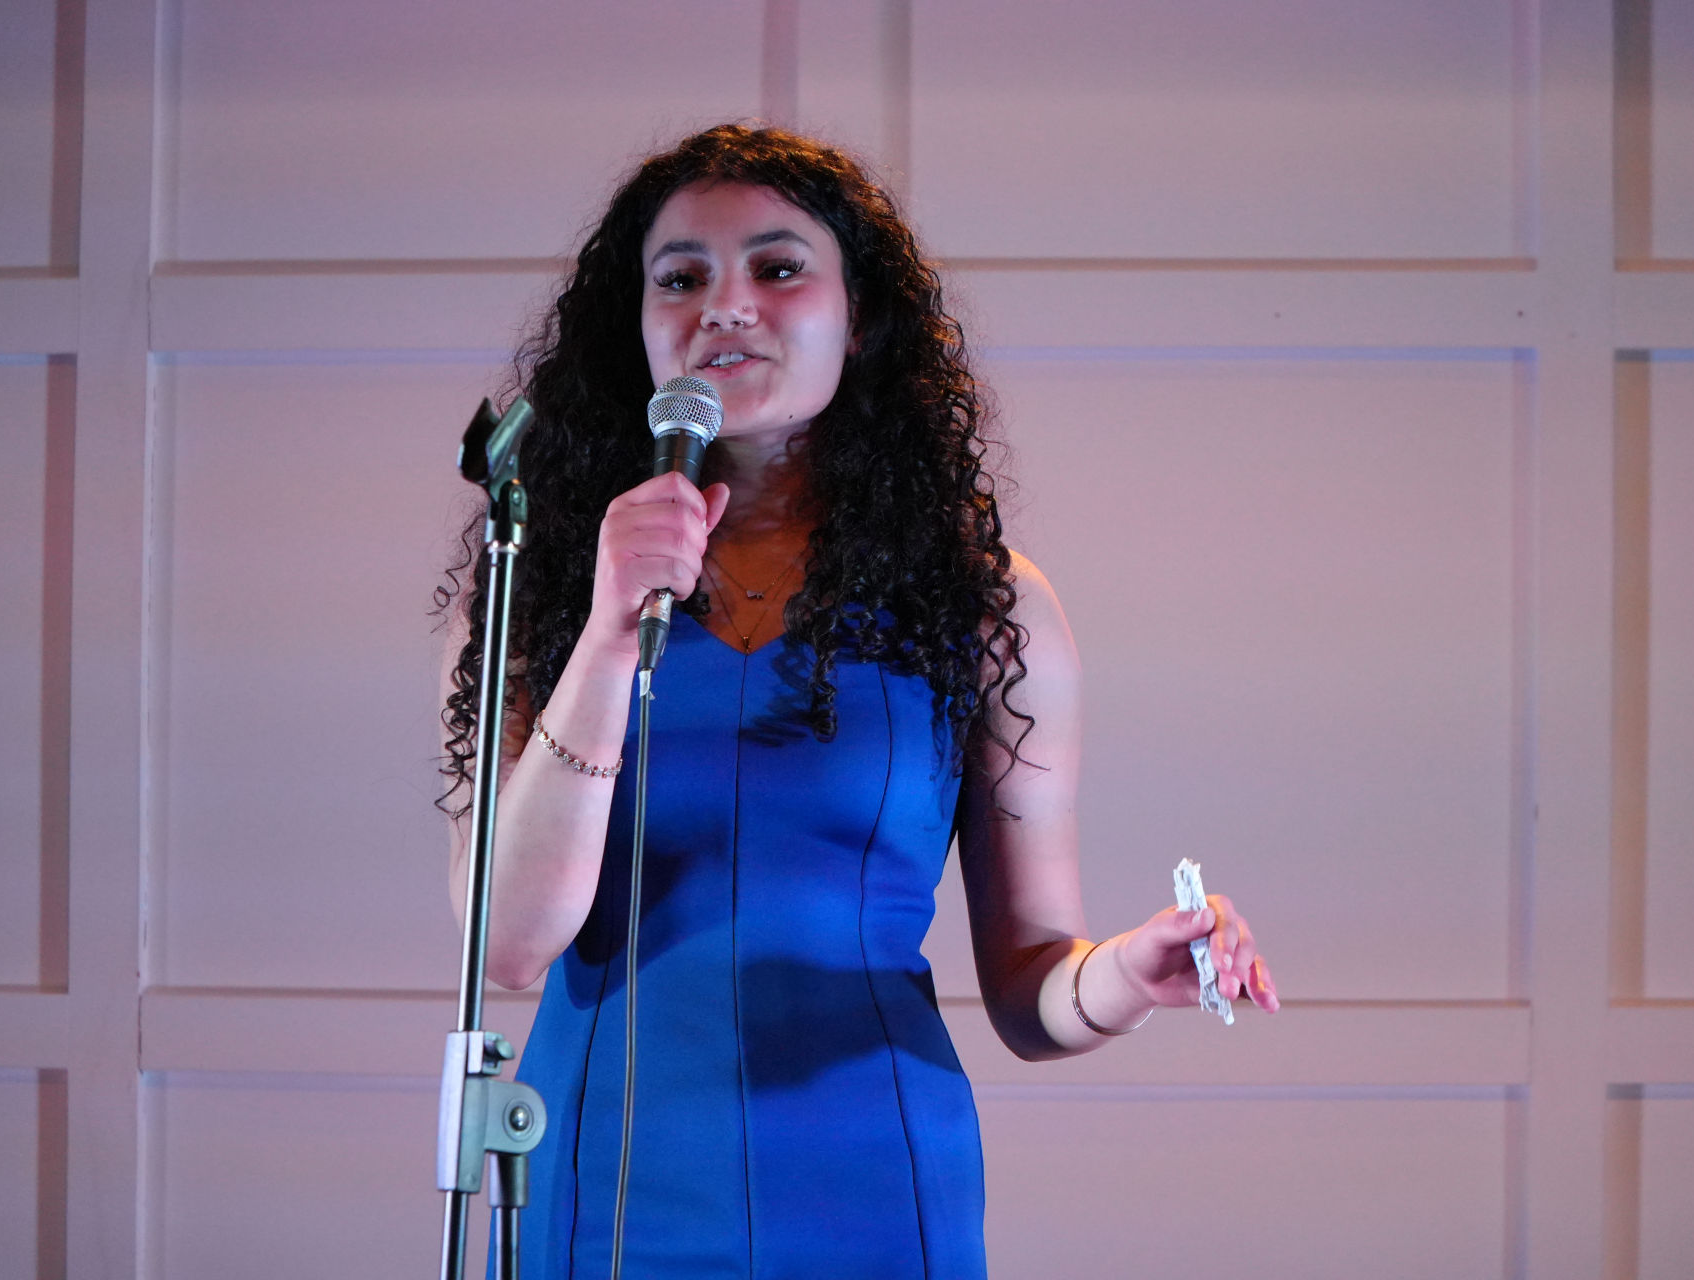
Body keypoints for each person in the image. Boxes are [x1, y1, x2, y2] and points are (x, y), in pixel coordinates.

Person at [438, 124, 1279, 1280]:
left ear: (862, 316)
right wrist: (608, 626)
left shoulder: (986, 606)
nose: (725, 306)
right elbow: (508, 946)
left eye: (778, 268)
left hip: (871, 1185)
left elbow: (1032, 977)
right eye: (680, 278)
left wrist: (1126, 973)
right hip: (603, 1187)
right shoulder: (533, 584)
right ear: (633, 325)